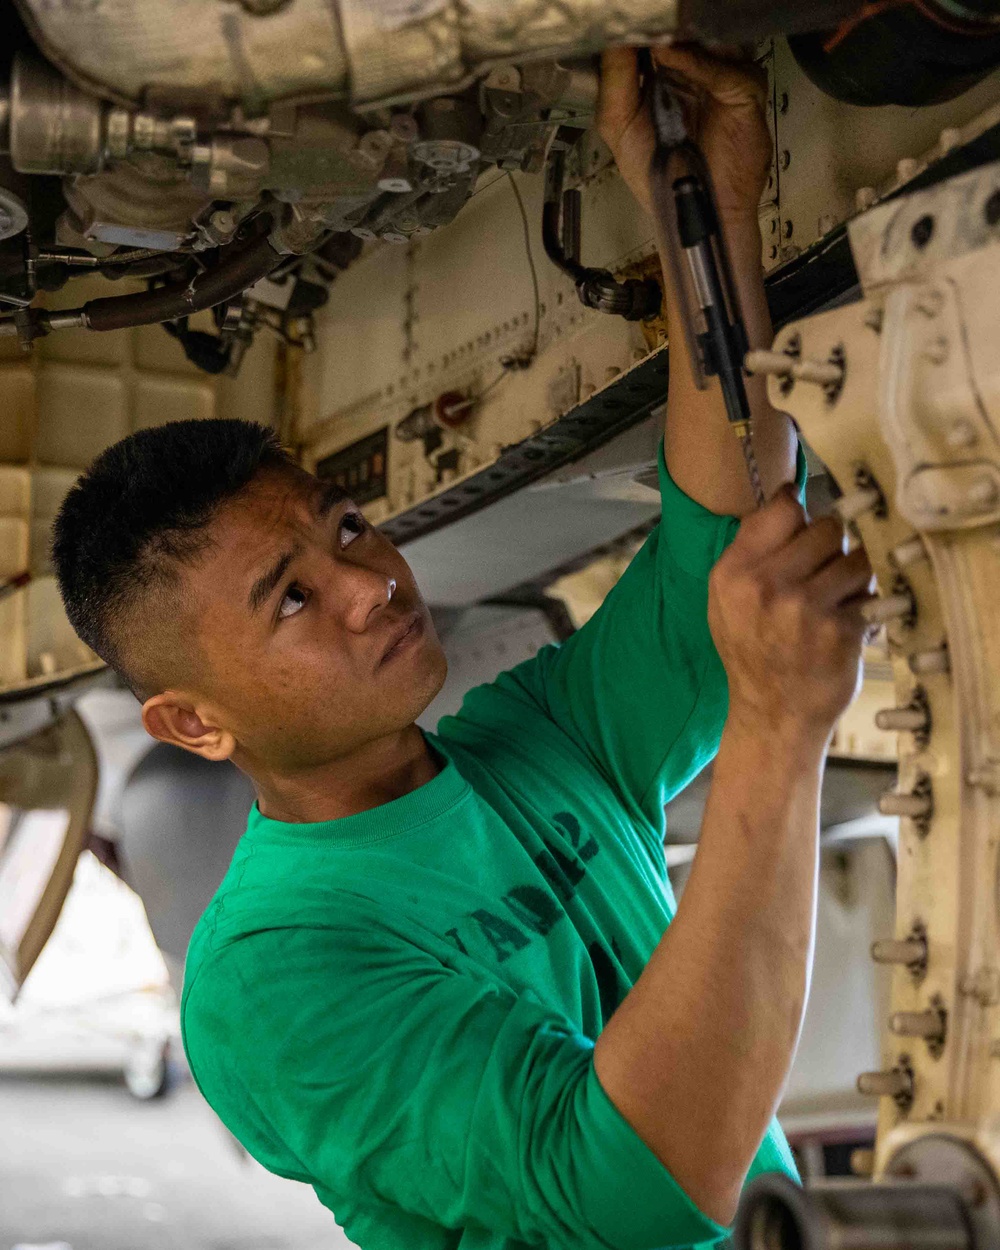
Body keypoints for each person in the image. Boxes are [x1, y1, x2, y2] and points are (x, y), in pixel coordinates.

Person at [51, 43, 872, 1250]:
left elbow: (725, 535)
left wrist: (708, 208)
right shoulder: (273, 978)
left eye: (347, 529)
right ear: (191, 722)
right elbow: (638, 1192)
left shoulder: (528, 743)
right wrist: (778, 729)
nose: (374, 583)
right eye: (290, 598)